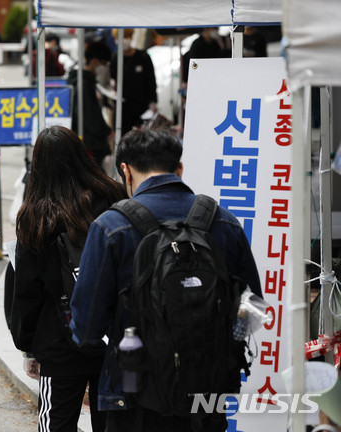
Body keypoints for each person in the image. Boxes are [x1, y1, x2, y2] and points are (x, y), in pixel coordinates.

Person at [69, 128, 263, 431]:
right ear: (179, 169)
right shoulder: (223, 222)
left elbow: (85, 328)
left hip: (132, 393)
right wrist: (213, 345)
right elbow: (253, 307)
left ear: (125, 171)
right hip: (205, 397)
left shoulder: (111, 226)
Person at [12, 126, 126, 432]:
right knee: (114, 424)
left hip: (59, 339)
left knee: (56, 423)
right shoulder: (114, 197)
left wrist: (29, 347)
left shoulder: (35, 216)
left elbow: (27, 292)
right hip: (112, 335)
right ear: (82, 156)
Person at [67, 42, 113, 167]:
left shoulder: (85, 80)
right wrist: (106, 131)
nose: (105, 67)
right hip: (89, 142)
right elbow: (90, 117)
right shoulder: (83, 84)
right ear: (94, 61)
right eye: (104, 63)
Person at [110, 29, 157, 132]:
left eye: (126, 37)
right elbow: (111, 79)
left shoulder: (143, 57)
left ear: (131, 37)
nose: (123, 40)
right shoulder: (115, 58)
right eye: (119, 38)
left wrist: (153, 102)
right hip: (122, 107)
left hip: (141, 107)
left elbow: (151, 81)